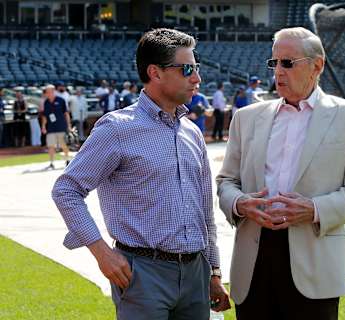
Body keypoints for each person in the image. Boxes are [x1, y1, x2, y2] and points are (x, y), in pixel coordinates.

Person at [52, 28, 230, 320]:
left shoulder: (192, 133)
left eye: (197, 68)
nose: (196, 78)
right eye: (187, 69)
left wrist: (213, 271)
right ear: (155, 73)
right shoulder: (117, 128)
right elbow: (66, 190)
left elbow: (203, 212)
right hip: (143, 274)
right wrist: (102, 253)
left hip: (196, 273)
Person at [216, 27, 345, 320]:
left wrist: (315, 209)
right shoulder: (246, 118)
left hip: (314, 264)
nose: (278, 71)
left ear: (317, 66)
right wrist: (240, 203)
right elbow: (227, 182)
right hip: (252, 265)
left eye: (287, 63)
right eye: (274, 63)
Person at [41, 84, 71, 169]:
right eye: (46, 92)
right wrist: (43, 126)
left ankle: (67, 160)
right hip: (51, 127)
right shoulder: (46, 102)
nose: (47, 93)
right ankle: (51, 162)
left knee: (63, 144)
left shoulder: (61, 100)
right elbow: (45, 116)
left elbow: (66, 114)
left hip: (61, 126)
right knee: (51, 145)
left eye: (49, 91)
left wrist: (68, 125)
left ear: (53, 91)